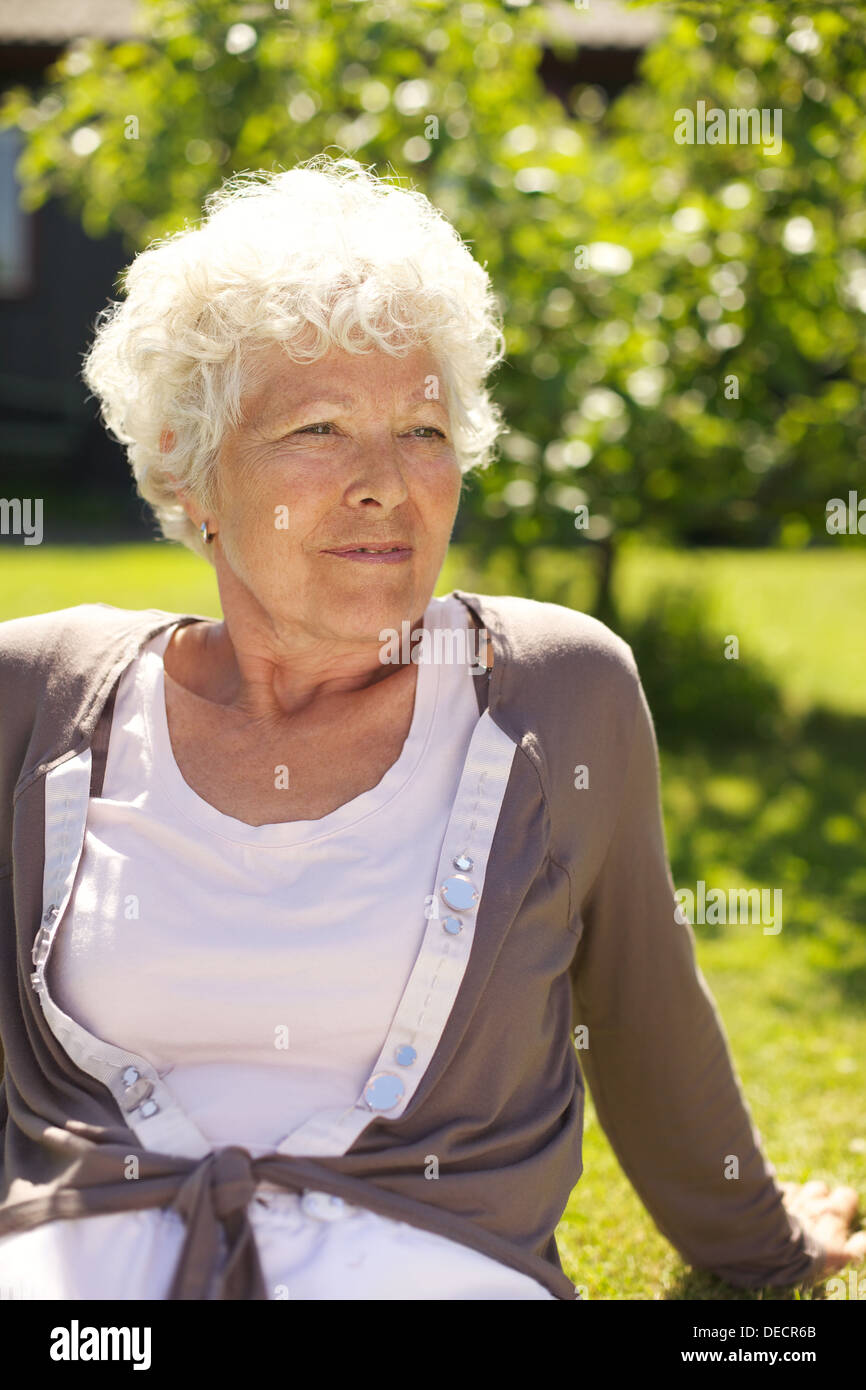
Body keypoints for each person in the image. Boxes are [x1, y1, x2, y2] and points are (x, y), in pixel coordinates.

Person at [0, 155, 862, 1301]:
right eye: (316, 427)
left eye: (420, 429)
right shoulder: (40, 694)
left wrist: (764, 1242)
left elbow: (645, 1013)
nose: (384, 483)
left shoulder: (556, 692)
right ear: (186, 469)